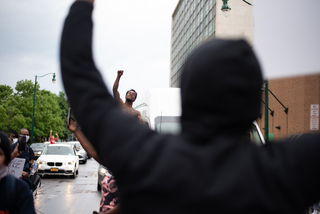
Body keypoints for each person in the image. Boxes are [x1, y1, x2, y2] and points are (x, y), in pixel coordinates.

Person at [61, 1, 320, 214]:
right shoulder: (281, 172)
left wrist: (83, 6)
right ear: (256, 109)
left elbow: (81, 77)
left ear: (185, 99)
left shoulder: (148, 158)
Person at [0, 132, 36, 213]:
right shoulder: (13, 147)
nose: (25, 136)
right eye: (24, 134)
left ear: (5, 158)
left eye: (0, 154)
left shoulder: (20, 189)